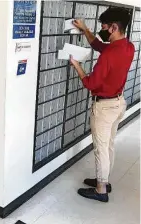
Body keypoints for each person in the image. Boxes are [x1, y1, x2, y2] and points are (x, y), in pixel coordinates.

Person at [70, 7, 134, 202]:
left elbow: (90, 84)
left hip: (104, 108)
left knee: (100, 149)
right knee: (109, 146)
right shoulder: (127, 46)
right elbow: (98, 45)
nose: (102, 30)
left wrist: (77, 66)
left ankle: (100, 190)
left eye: (104, 27)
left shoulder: (108, 55)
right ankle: (104, 181)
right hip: (118, 103)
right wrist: (84, 29)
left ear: (114, 27)